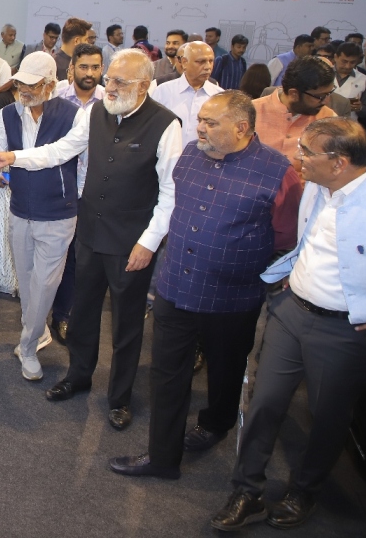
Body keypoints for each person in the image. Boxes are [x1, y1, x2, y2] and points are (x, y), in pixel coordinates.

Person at [0, 50, 182, 430]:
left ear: (142, 86)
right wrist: (13, 158)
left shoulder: (166, 125)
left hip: (132, 242)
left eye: (119, 82)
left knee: (126, 324)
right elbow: (61, 151)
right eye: (110, 78)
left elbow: (171, 192)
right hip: (90, 232)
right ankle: (78, 377)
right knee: (83, 314)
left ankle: (119, 398)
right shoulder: (97, 112)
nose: (109, 86)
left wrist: (149, 243)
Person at [108, 92, 301, 480]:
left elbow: (285, 236)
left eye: (211, 123)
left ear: (241, 128)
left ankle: (216, 424)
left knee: (226, 369)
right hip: (176, 287)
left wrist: (240, 260)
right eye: (200, 120)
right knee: (166, 375)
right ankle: (163, 458)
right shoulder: (190, 155)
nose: (200, 128)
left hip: (233, 297)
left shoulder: (279, 172)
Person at [211, 118, 366, 532]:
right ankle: (247, 490)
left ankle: (305, 490)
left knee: (327, 416)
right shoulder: (316, 187)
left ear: (338, 163)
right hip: (290, 312)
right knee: (264, 403)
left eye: (307, 152)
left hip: (344, 331)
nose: (298, 159)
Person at [0, 53, 78, 380]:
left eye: (32, 84)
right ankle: (38, 332)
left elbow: (61, 157)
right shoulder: (7, 115)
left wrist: (74, 199)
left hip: (58, 215)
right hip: (19, 211)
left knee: (45, 284)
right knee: (26, 282)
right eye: (21, 83)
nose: (24, 90)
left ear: (50, 84)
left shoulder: (74, 116)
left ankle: (27, 345)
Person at [49, 44, 106, 344]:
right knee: (56, 255)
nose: (90, 73)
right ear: (72, 68)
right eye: (84, 66)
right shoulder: (55, 96)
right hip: (58, 187)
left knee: (81, 258)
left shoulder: (109, 101)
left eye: (95, 67)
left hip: (94, 190)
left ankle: (66, 315)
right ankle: (46, 313)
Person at [252, 56, 337, 171]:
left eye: (329, 93)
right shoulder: (250, 112)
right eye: (320, 96)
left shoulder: (329, 120)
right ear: (294, 94)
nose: (326, 101)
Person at [151, 41, 223, 148]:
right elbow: (151, 128)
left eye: (211, 61)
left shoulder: (219, 96)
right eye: (201, 61)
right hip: (166, 155)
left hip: (204, 156)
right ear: (184, 62)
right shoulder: (162, 91)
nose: (208, 67)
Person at [331, 42, 366, 121]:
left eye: (352, 62)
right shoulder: (323, 74)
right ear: (336, 57)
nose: (348, 66)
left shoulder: (363, 79)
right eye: (344, 61)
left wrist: (360, 108)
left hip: (348, 124)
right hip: (322, 124)